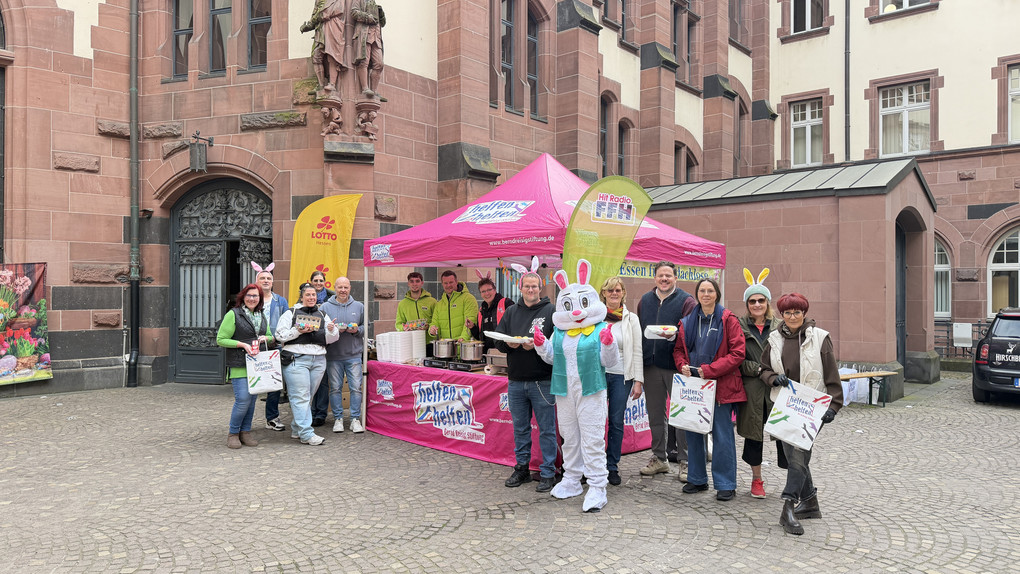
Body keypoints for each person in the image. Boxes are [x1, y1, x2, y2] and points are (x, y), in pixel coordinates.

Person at [759, 292, 843, 535]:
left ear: (804, 313)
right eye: (787, 312)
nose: (792, 316)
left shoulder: (820, 338)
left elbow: (832, 374)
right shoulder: (774, 339)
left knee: (798, 455)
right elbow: (763, 369)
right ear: (782, 315)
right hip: (784, 406)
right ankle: (811, 502)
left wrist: (834, 406)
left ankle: (788, 506)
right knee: (794, 457)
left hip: (811, 408)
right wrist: (775, 378)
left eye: (797, 312)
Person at [673, 278, 746, 502]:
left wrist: (710, 370)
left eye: (710, 290)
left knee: (722, 435)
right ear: (697, 294)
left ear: (717, 294)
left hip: (720, 386)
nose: (706, 294)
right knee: (693, 432)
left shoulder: (728, 319)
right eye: (702, 290)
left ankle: (725, 484)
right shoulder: (686, 321)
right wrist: (682, 365)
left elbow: (738, 353)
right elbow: (678, 350)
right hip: (694, 385)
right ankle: (696, 478)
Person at [493, 271, 557, 493]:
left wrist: (539, 346)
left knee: (547, 429)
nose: (531, 290)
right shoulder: (511, 312)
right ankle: (522, 468)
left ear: (541, 288)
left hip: (543, 381)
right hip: (516, 381)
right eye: (527, 286)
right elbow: (499, 339)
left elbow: (557, 344)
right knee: (520, 428)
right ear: (520, 288)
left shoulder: (551, 311)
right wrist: (508, 345)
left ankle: (549, 472)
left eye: (535, 286)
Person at [636, 261, 697, 479]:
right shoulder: (645, 301)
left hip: (676, 367)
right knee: (655, 414)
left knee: (680, 415)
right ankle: (659, 458)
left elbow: (690, 333)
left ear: (675, 278)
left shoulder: (686, 301)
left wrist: (674, 336)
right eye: (661, 276)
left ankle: (685, 461)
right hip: (651, 365)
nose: (664, 279)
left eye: (668, 276)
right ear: (655, 278)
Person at [735, 268, 786, 499]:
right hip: (753, 389)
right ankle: (757, 480)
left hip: (777, 389)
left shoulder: (781, 326)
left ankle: (793, 481)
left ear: (768, 302)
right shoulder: (739, 326)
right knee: (754, 437)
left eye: (761, 300)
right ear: (747, 304)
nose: (757, 304)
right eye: (752, 301)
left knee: (785, 436)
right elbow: (736, 358)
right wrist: (757, 369)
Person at [276, 282, 340, 446]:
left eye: (314, 295)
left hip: (318, 359)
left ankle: (297, 429)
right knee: (301, 397)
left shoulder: (322, 313)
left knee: (308, 396)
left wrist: (332, 329)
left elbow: (331, 339)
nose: (311, 297)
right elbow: (280, 335)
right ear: (302, 296)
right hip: (296, 359)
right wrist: (298, 331)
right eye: (308, 295)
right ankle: (306, 433)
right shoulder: (290, 313)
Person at [216, 283, 274, 449]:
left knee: (252, 400)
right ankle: (233, 433)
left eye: (255, 296)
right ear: (243, 297)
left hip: (257, 365)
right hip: (239, 364)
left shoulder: (261, 315)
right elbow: (221, 339)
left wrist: (266, 339)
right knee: (243, 399)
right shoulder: (233, 314)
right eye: (249, 295)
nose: (252, 299)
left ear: (260, 299)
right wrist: (242, 344)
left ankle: (246, 432)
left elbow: (270, 336)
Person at [599, 276, 643, 486]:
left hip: (620, 376)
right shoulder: (596, 317)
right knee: (595, 421)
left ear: (623, 293)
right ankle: (594, 465)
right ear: (604, 294)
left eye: (617, 290)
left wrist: (638, 380)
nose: (614, 294)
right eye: (610, 291)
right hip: (597, 374)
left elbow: (637, 350)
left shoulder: (631, 319)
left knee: (616, 422)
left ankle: (612, 466)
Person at [321, 276, 366, 434]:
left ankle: (355, 419)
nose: (343, 290)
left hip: (353, 354)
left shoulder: (359, 306)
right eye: (340, 287)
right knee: (335, 389)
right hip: (333, 355)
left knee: (355, 388)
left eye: (345, 287)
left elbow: (364, 328)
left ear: (350, 288)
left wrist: (356, 330)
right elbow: (321, 331)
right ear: (335, 288)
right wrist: (332, 330)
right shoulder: (325, 307)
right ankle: (338, 419)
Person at [254, 263, 289, 432]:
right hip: (253, 347)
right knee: (252, 383)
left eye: (268, 278)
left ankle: (272, 418)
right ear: (256, 281)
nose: (266, 281)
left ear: (272, 282)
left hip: (275, 346)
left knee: (274, 384)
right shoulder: (251, 298)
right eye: (263, 278)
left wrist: (281, 339)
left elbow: (287, 321)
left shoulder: (280, 301)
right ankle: (246, 421)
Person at [299, 0, 348, 96]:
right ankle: (321, 85)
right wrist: (308, 26)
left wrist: (314, 20)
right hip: (320, 30)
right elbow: (316, 15)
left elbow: (332, 10)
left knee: (332, 55)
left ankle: (332, 84)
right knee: (316, 56)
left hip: (333, 27)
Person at [309, 270, 335, 426]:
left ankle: (321, 413)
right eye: (316, 280)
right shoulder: (304, 295)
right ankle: (310, 412)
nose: (318, 283)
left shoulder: (331, 297)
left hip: (326, 343)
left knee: (323, 381)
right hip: (309, 342)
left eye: (321, 280)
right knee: (310, 382)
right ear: (311, 282)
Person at [428, 270, 478, 342]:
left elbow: (471, 320)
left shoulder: (468, 298)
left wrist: (463, 338)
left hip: (464, 347)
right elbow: (434, 323)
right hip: (446, 348)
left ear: (456, 282)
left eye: (451, 282)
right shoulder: (439, 304)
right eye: (446, 283)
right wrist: (432, 330)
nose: (448, 285)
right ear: (442, 284)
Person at [395, 272, 437, 355]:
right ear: (408, 283)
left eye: (417, 281)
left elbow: (437, 321)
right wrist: (403, 328)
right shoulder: (402, 304)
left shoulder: (432, 301)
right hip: (411, 343)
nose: (414, 284)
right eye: (412, 281)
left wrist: (429, 326)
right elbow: (398, 324)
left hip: (430, 343)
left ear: (422, 283)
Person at [471, 274, 514, 355]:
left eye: (489, 290)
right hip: (487, 354)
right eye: (483, 291)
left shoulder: (506, 303)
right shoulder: (481, 311)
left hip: (505, 352)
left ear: (494, 290)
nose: (486, 293)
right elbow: (481, 337)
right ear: (480, 294)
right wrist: (472, 327)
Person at [350, 0, 385, 98]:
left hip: (376, 38)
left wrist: (381, 14)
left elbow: (382, 22)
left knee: (379, 64)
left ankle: (374, 90)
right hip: (364, 34)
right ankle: (365, 88)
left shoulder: (374, 3)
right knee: (363, 60)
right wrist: (367, 17)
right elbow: (354, 12)